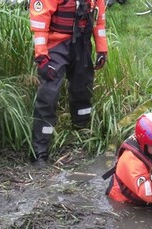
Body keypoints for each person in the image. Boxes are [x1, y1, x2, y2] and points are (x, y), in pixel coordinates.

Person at [29, 0, 109, 166]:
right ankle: (40, 151)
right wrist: (42, 55)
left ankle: (82, 134)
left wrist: (102, 49)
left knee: (83, 88)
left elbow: (99, 20)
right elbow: (40, 22)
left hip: (82, 43)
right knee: (48, 95)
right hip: (56, 46)